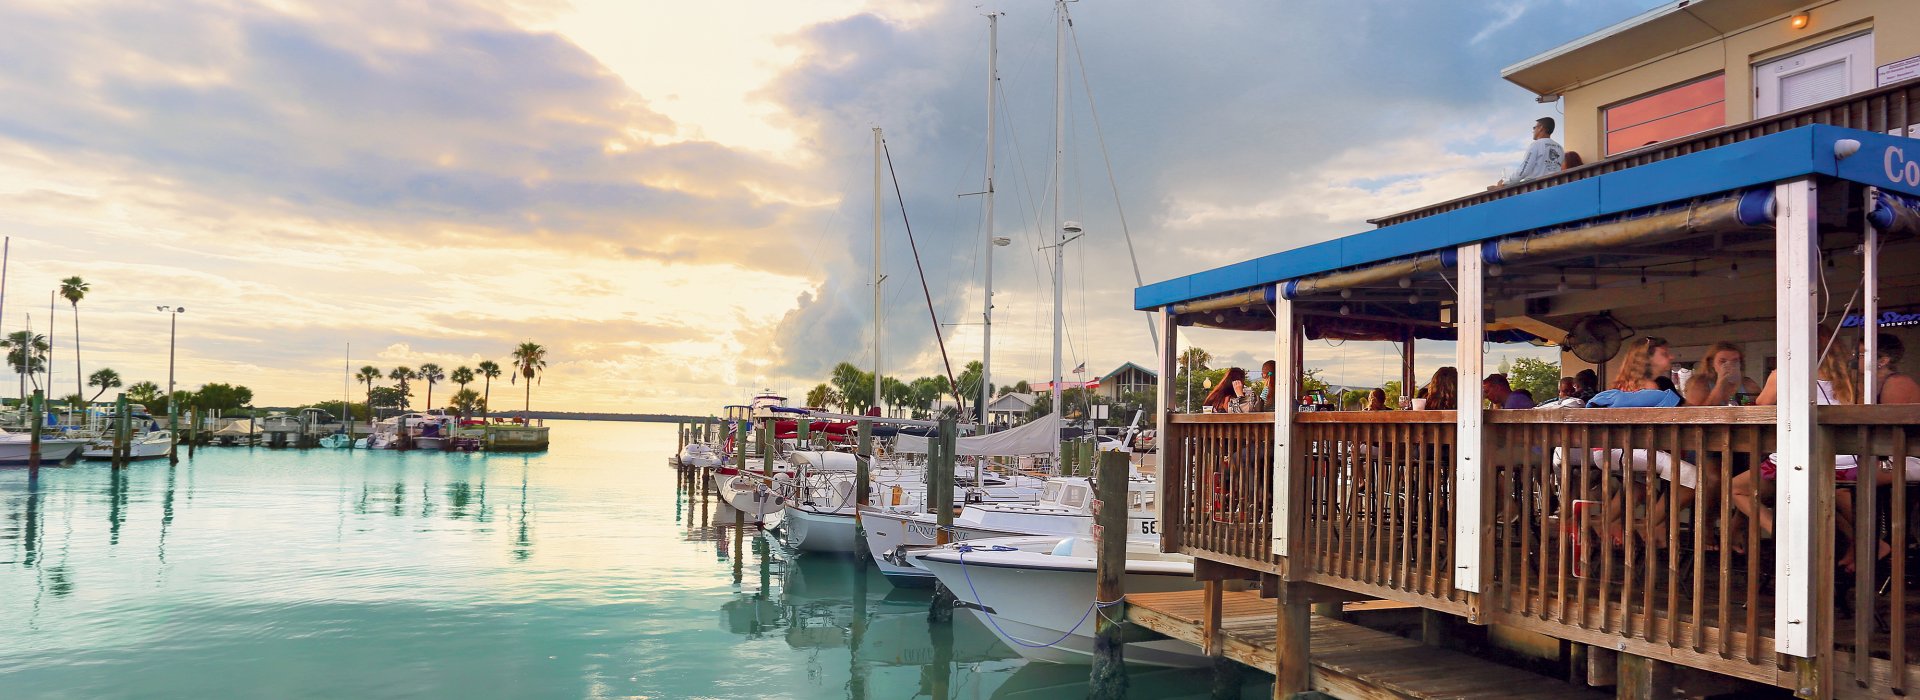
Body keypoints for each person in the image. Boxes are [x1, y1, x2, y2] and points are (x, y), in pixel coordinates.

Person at [1490, 117, 1564, 189]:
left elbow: (1523, 171)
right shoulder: (1560, 148)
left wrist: (1505, 183)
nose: (1533, 131)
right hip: (1555, 187)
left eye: (1534, 128)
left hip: (1537, 188)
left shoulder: (1536, 145)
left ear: (1541, 128)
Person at [1683, 341, 1761, 406]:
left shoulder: (1748, 384)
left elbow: (1759, 409)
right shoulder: (1699, 383)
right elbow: (1695, 415)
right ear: (1711, 363)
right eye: (1723, 361)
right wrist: (1720, 384)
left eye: (1735, 361)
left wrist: (1736, 386)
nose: (1730, 365)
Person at [1870, 333, 1920, 403]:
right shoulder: (1873, 382)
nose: (1855, 358)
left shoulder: (1897, 383)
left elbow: (1888, 413)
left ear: (1883, 361)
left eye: (1862, 354)